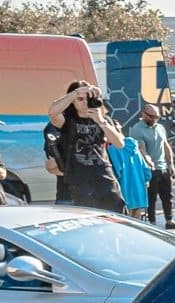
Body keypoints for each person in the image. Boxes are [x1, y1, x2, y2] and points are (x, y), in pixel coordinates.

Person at [46, 81, 127, 211]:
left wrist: (101, 122)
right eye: (80, 99)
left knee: (116, 216)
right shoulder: (67, 120)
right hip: (79, 180)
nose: (84, 102)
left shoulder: (103, 119)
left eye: (88, 99)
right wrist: (76, 93)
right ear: (73, 101)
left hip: (104, 178)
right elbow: (52, 112)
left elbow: (119, 144)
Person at [130, 103, 175, 227]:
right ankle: (152, 221)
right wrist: (148, 162)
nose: (154, 119)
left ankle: (169, 220)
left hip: (163, 166)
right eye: (151, 116)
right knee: (151, 197)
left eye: (156, 117)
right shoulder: (137, 129)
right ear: (143, 114)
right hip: (149, 168)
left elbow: (165, 145)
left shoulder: (160, 127)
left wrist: (170, 163)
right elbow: (141, 149)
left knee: (168, 195)